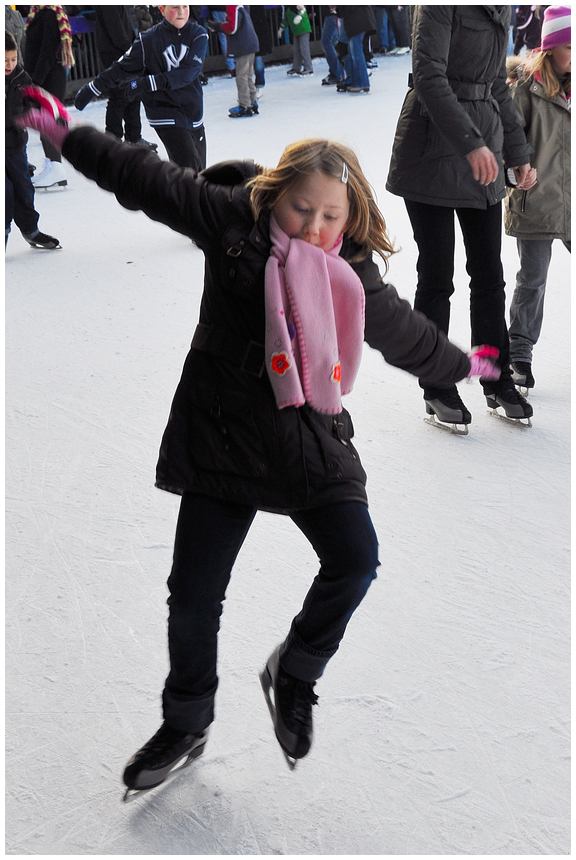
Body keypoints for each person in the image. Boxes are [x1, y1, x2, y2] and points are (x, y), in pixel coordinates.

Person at [17, 93, 501, 791]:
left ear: (351, 218)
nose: (313, 226)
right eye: (302, 208)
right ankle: (186, 721)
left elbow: (404, 335)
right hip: (223, 430)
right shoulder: (230, 223)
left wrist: (466, 365)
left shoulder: (350, 274)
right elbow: (145, 177)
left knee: (355, 559)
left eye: (331, 216)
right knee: (192, 596)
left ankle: (295, 670)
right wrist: (68, 135)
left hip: (306, 433)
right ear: (276, 196)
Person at [387, 5, 537, 430]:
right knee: (437, 275)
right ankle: (436, 384)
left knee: (489, 274)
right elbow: (429, 78)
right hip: (431, 149)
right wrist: (471, 144)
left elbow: (495, 85)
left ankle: (493, 374)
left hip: (483, 153)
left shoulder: (499, 8)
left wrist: (518, 153)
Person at [505, 6, 571, 393]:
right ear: (550, 50)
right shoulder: (524, 91)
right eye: (570, 47)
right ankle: (519, 354)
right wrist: (516, 172)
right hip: (536, 201)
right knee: (533, 279)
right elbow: (505, 143)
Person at [74, 5, 209, 172]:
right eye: (175, 7)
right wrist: (93, 88)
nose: (181, 12)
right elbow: (121, 67)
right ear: (162, 9)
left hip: (193, 109)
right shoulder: (149, 40)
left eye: (185, 6)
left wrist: (144, 83)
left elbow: (188, 73)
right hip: (164, 111)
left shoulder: (198, 34)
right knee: (188, 169)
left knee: (201, 172)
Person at [5, 30, 59, 250]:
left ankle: (30, 229)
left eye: (13, 59)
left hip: (16, 144)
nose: (9, 64)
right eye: (4, 60)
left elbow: (34, 102)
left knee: (24, 188)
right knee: (5, 192)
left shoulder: (21, 78)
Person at [24, 5, 74, 189]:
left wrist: (34, 82)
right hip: (48, 76)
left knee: (49, 123)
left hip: (49, 78)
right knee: (47, 123)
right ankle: (53, 166)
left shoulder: (49, 15)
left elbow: (47, 52)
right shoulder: (42, 14)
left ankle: (56, 167)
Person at [94, 6, 157, 150]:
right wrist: (131, 51)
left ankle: (134, 137)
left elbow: (126, 24)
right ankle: (113, 140)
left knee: (133, 92)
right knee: (118, 95)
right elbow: (116, 30)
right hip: (115, 52)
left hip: (123, 49)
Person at [206, 5, 259, 117]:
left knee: (241, 76)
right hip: (250, 43)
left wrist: (218, 26)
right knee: (248, 74)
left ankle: (245, 105)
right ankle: (253, 100)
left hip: (243, 46)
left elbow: (232, 27)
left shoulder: (232, 5)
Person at [335, 6, 376, 93]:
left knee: (356, 52)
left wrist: (339, 9)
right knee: (351, 50)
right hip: (356, 20)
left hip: (357, 21)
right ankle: (355, 80)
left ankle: (362, 82)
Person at [279, 5, 314, 77]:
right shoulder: (286, 8)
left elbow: (303, 9)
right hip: (296, 31)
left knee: (304, 49)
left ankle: (308, 67)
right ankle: (296, 67)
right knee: (296, 49)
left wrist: (300, 16)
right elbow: (286, 19)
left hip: (303, 28)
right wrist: (281, 29)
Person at [320, 6, 344, 85]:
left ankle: (337, 73)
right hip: (332, 13)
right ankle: (338, 71)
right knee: (332, 42)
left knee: (327, 42)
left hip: (332, 13)